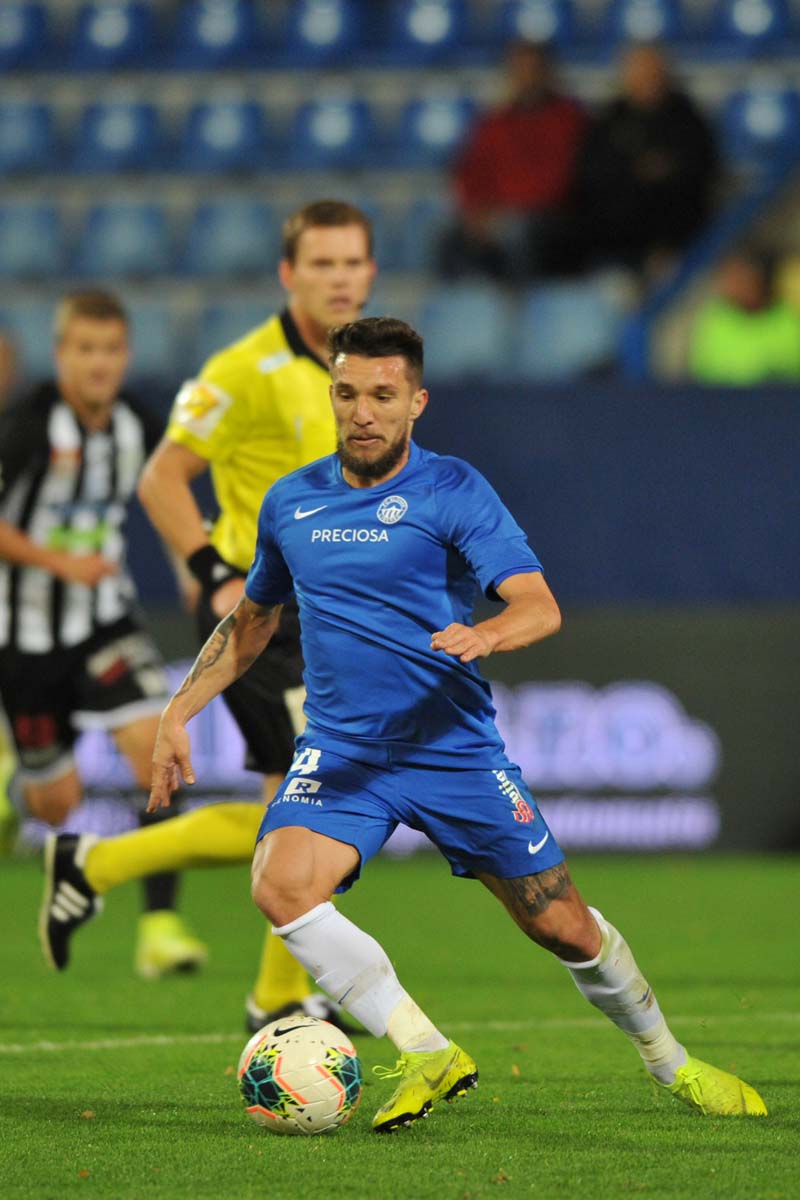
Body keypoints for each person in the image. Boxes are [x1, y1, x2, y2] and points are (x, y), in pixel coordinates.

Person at [43, 317, 767, 1131]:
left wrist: (487, 634)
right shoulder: (291, 502)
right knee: (279, 884)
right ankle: (426, 1050)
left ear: (416, 403)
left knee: (562, 925)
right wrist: (179, 711)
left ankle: (672, 1064)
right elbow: (251, 622)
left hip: (452, 749)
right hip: (343, 752)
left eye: (384, 396)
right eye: (348, 393)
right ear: (331, 395)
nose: (364, 413)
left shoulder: (453, 489)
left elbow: (537, 605)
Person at [134, 199, 377, 1032]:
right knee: (313, 794)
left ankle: (278, 992)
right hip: (266, 619)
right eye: (322, 263)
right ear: (288, 273)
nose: (339, 278)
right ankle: (276, 995)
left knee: (307, 798)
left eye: (351, 262)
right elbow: (162, 478)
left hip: (335, 618)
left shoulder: (363, 371)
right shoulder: (243, 369)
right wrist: (211, 572)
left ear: (371, 272)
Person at [0, 289, 205, 974]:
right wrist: (60, 563)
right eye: (85, 349)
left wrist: (189, 568)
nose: (98, 364)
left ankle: (160, 927)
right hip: (25, 638)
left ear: (126, 354)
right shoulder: (28, 428)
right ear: (61, 354)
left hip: (106, 622)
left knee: (157, 752)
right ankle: (16, 791)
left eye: (111, 350)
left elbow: (164, 495)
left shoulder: (136, 423)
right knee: (55, 804)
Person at [438, 39, 586, 281]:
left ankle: (520, 301)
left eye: (533, 70)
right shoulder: (494, 122)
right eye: (520, 70)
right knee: (444, 234)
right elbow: (471, 173)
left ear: (547, 73)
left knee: (518, 231)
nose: (526, 78)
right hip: (495, 217)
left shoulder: (569, 120)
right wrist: (477, 214)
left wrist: (505, 212)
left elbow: (560, 181)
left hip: (549, 220)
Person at [574, 43, 718, 277]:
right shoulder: (609, 121)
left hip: (680, 238)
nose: (647, 79)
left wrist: (666, 170)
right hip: (617, 242)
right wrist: (634, 172)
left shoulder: (688, 120)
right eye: (639, 72)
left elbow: (702, 169)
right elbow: (593, 175)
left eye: (653, 72)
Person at [688, 249, 800, 384]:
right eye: (731, 280)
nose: (735, 286)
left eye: (742, 279)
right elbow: (703, 373)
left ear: (758, 279)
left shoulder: (787, 316)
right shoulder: (715, 319)